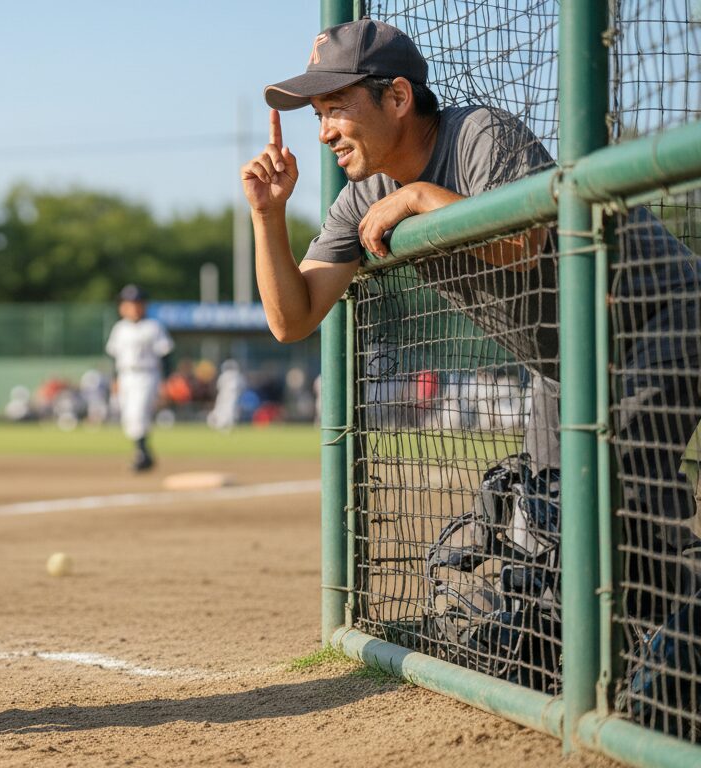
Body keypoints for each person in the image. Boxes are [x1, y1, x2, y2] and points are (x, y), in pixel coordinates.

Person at [243, 20, 699, 624]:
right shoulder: (361, 195)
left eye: (335, 109)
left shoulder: (480, 134)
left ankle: (669, 654)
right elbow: (291, 319)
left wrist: (417, 198)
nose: (324, 131)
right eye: (318, 115)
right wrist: (267, 216)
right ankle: (631, 646)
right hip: (566, 367)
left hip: (667, 315)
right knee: (548, 521)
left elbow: (526, 241)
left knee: (621, 485)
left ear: (398, 97)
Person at [105, 284, 174, 471]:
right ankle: (144, 453)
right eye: (128, 303)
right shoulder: (119, 328)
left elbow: (166, 355)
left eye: (136, 303)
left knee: (138, 413)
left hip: (147, 375)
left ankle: (143, 454)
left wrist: (166, 381)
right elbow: (113, 357)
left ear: (144, 305)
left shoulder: (153, 327)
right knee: (128, 416)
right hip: (126, 375)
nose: (132, 307)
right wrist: (115, 380)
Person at [208, 359, 247, 432]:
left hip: (226, 396)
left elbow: (218, 386)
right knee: (226, 410)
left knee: (227, 410)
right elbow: (243, 387)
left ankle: (224, 424)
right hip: (228, 396)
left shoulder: (225, 376)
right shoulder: (236, 376)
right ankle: (222, 424)